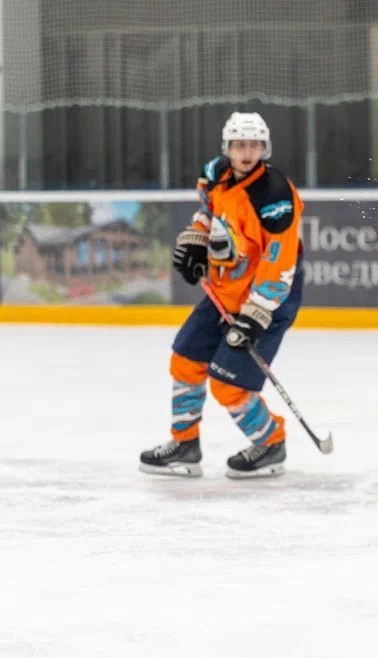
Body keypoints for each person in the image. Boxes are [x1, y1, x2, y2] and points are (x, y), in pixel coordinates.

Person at [139, 111, 305, 479]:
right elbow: (209, 212)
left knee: (228, 384)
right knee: (185, 359)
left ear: (265, 148)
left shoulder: (274, 195)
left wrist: (256, 312)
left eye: (254, 145)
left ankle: (270, 442)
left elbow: (280, 260)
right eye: (239, 145)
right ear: (227, 148)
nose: (246, 152)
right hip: (225, 291)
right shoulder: (216, 175)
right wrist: (198, 239)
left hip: (269, 299)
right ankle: (185, 444)